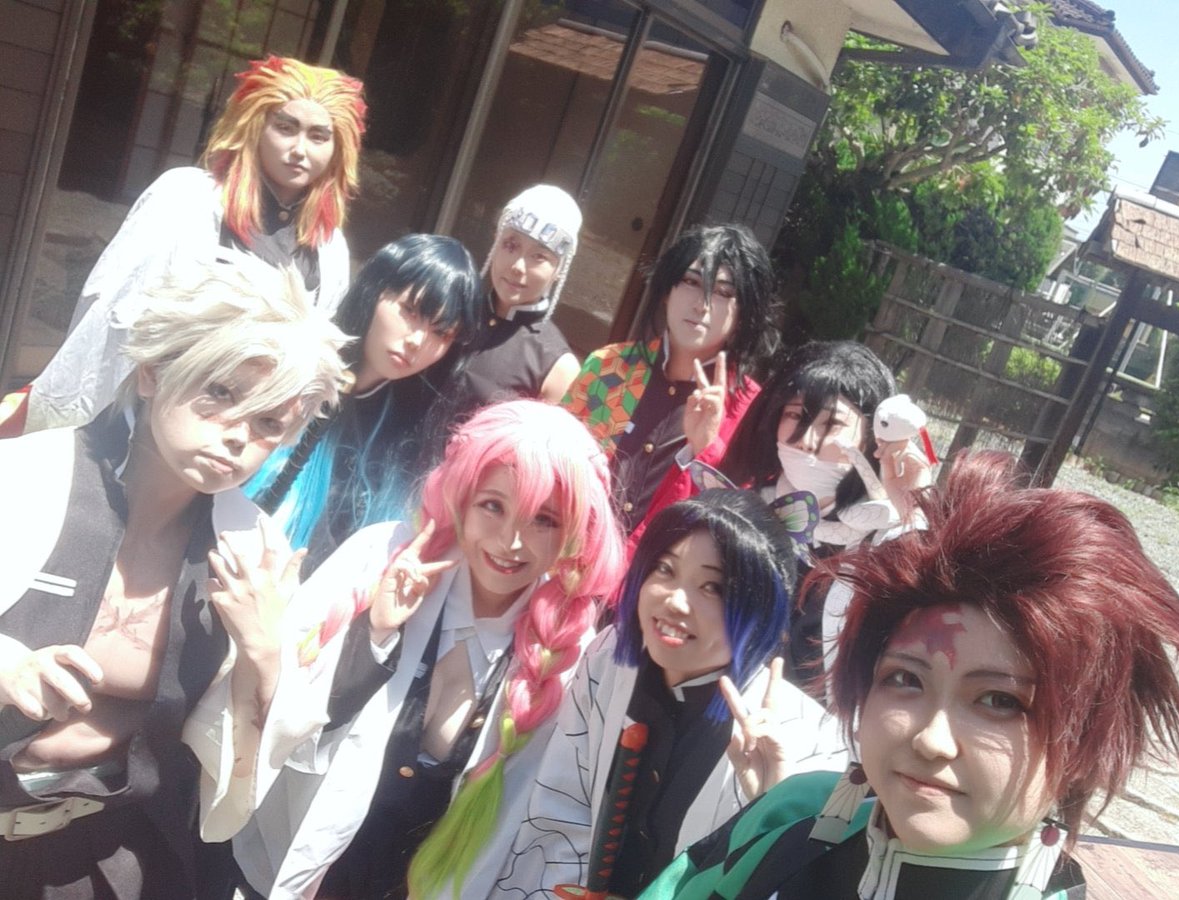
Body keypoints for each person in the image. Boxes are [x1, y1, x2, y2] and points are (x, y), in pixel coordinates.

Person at [642, 452, 1179, 900]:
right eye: (906, 680)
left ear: (1085, 742)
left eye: (1000, 701)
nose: (930, 739)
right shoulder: (790, 816)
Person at [0, 260, 348, 899]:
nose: (237, 436)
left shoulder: (253, 552)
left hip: (109, 860)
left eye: (269, 423)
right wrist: (7, 665)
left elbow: (245, 759)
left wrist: (263, 652)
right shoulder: (22, 475)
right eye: (221, 392)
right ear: (153, 372)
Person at [228, 400, 625, 899]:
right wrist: (373, 634)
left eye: (543, 520)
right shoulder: (377, 558)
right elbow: (271, 716)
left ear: (574, 533)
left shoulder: (569, 651)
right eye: (493, 506)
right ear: (461, 494)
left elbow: (540, 824)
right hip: (277, 866)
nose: (511, 542)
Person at [496, 489, 846, 898]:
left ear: (762, 607)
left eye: (713, 587)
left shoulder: (809, 744)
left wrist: (773, 807)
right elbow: (560, 806)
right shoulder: (608, 657)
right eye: (664, 569)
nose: (676, 601)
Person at [19, 55, 366, 434]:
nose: (299, 149)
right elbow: (115, 313)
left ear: (338, 148)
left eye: (318, 136)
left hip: (243, 433)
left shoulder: (329, 247)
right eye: (285, 128)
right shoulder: (186, 196)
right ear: (254, 126)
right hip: (145, 410)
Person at [246, 234, 483, 571]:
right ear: (374, 291)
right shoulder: (288, 367)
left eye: (441, 333)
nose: (417, 340)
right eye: (410, 311)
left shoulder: (411, 435)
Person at [716, 342, 932, 680]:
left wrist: (911, 513)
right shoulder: (748, 511)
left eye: (831, 423)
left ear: (871, 438)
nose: (806, 439)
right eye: (794, 415)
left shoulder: (887, 538)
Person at [564, 223, 779, 539]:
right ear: (666, 291)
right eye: (691, 282)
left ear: (744, 314)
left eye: (723, 293)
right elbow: (553, 465)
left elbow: (740, 528)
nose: (701, 305)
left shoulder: (754, 413)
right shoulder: (606, 367)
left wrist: (707, 448)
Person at [460, 184, 583, 405]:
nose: (518, 266)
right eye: (510, 245)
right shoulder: (455, 312)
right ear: (495, 243)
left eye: (539, 256)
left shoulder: (556, 367)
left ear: (559, 270)